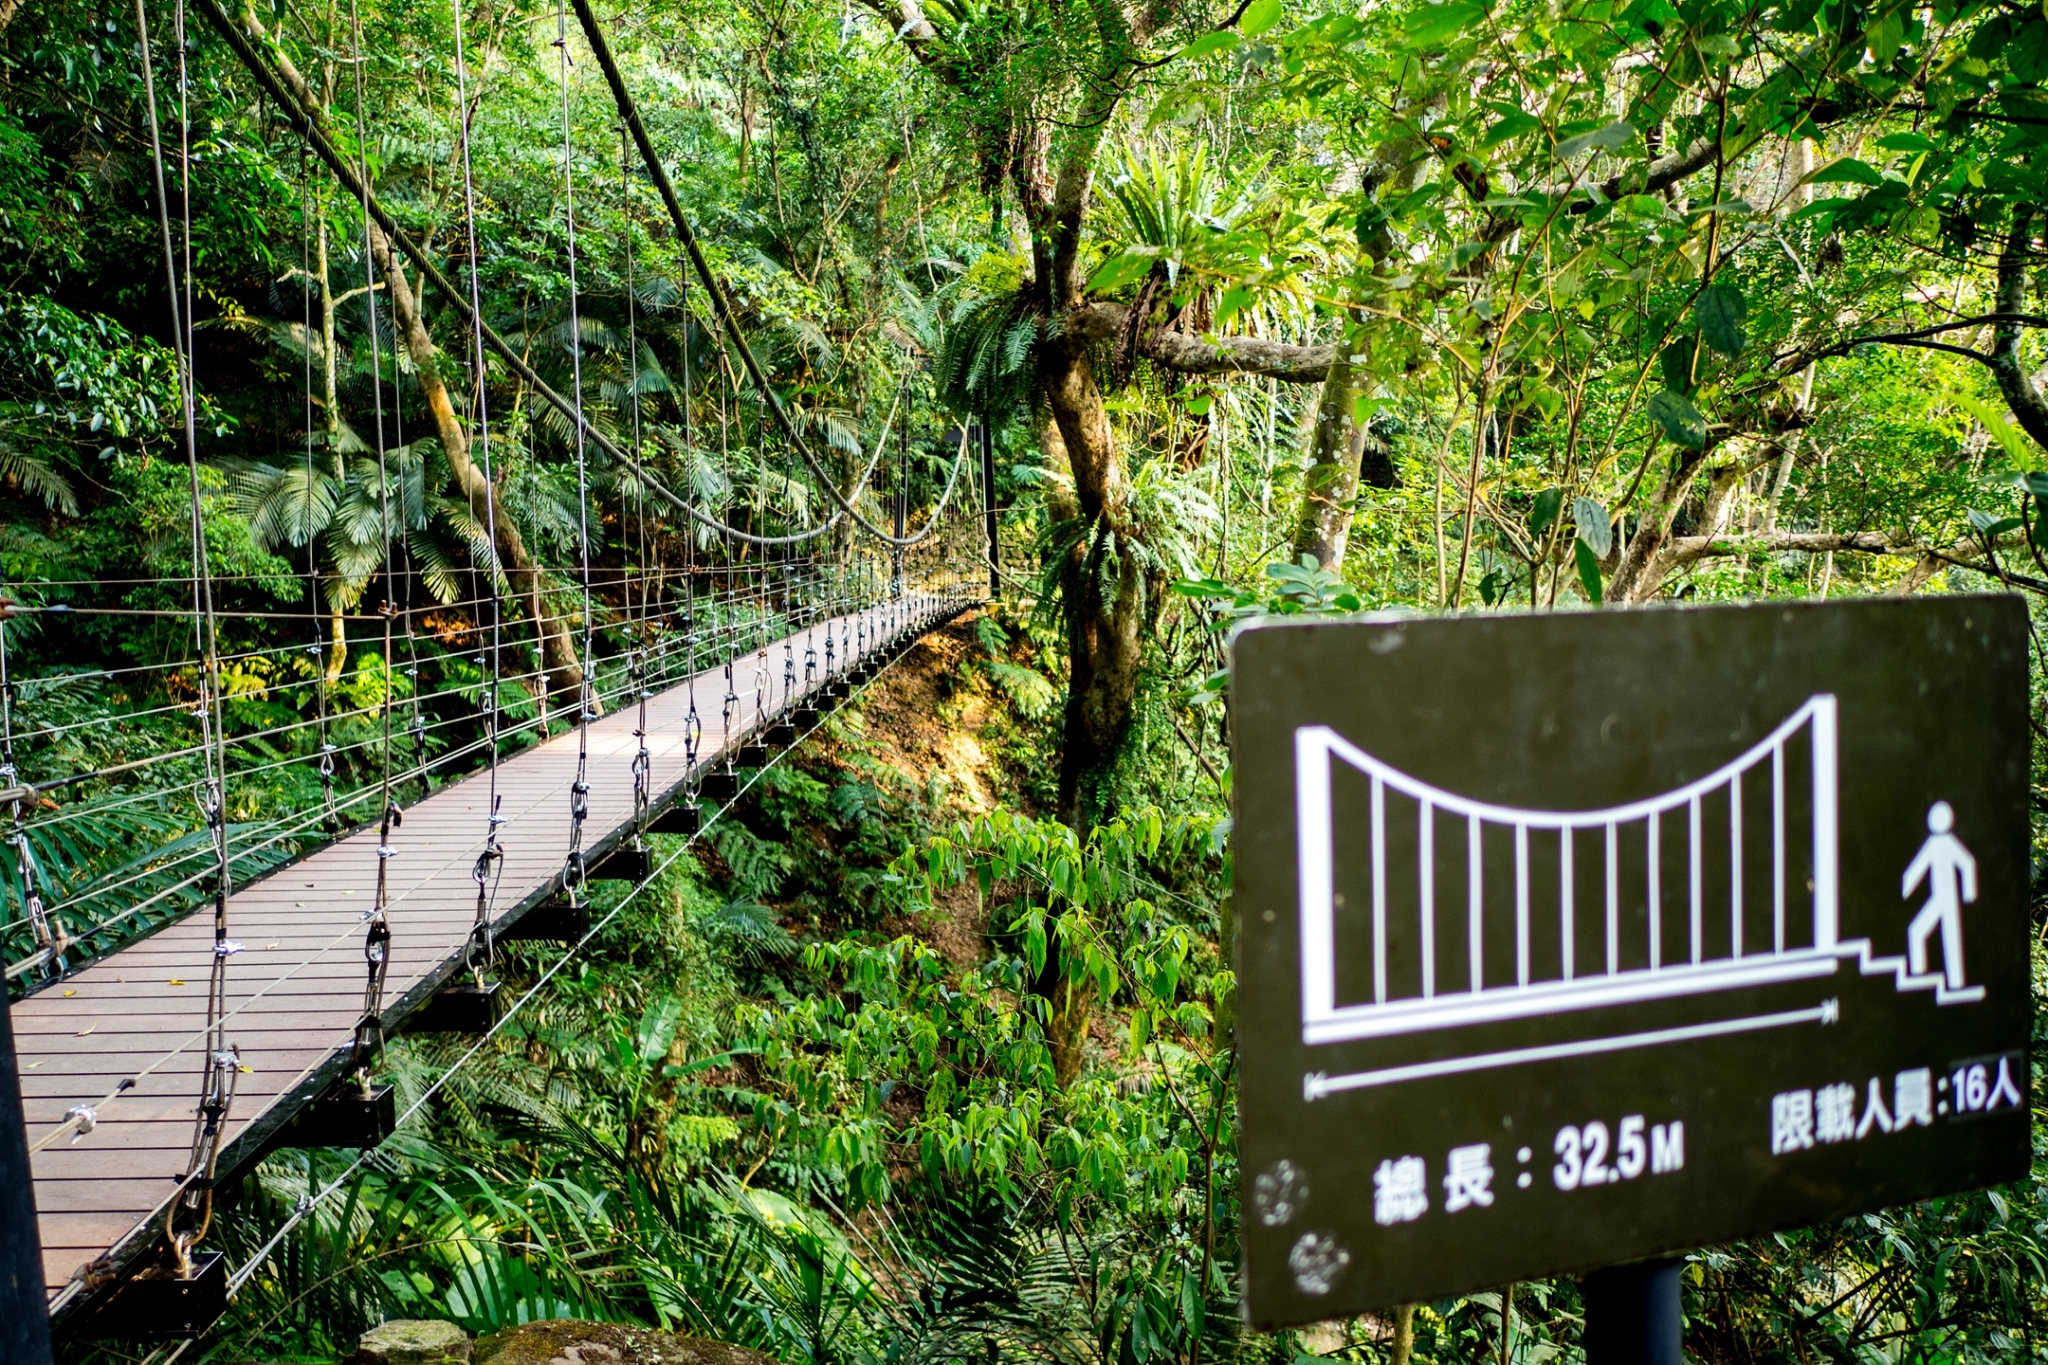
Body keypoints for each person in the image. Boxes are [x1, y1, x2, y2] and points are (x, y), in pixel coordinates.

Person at [1901, 801, 1976, 990]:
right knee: (1917, 931)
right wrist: (1907, 885)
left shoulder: (1949, 843)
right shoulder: (1933, 843)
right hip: (1938, 899)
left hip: (1949, 898)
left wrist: (1969, 892)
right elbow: (1919, 866)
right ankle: (1919, 971)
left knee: (1952, 938)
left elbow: (1967, 864)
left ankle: (1956, 982)